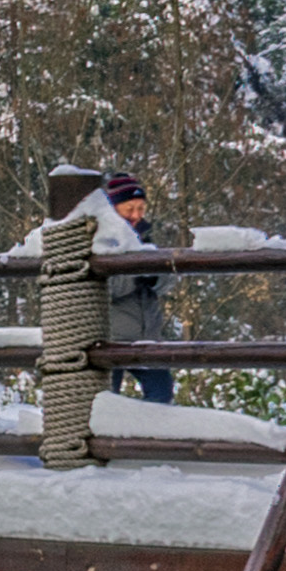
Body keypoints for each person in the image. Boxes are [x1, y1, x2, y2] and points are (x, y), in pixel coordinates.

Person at [102, 174, 176, 405]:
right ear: (114, 209)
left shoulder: (146, 237)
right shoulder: (100, 240)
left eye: (141, 208)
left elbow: (168, 281)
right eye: (129, 208)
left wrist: (154, 276)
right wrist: (138, 273)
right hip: (110, 338)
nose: (136, 215)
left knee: (161, 396)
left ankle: (150, 439)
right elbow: (108, 288)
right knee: (104, 403)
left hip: (147, 338)